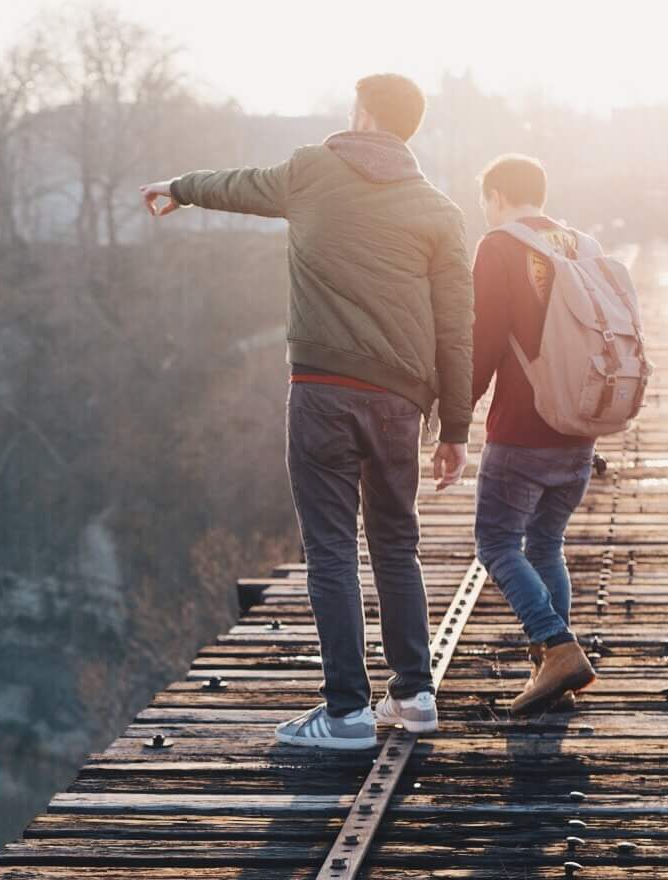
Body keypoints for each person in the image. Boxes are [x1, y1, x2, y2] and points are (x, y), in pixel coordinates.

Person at [142, 73, 472, 752]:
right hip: (401, 400)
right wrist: (458, 430)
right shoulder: (438, 210)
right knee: (395, 543)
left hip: (323, 390)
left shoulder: (313, 170)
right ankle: (413, 695)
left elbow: (239, 185)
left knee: (330, 548)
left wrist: (178, 187)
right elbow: (456, 326)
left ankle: (346, 712)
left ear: (364, 115)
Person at [470, 153, 599, 714]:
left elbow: (484, 341)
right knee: (546, 544)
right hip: (579, 427)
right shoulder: (580, 245)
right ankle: (555, 673)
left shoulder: (498, 246)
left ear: (496, 195)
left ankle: (555, 643)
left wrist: (455, 415)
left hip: (522, 429)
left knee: (496, 543)